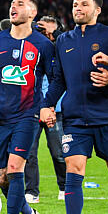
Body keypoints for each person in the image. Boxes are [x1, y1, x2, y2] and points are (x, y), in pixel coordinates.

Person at [41, 0, 108, 214]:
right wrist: (47, 105)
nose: (78, 8)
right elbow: (58, 79)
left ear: (97, 10)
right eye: (74, 5)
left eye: (84, 4)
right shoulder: (63, 41)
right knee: (73, 169)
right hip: (74, 117)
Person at [0, 0, 52, 214]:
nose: (13, 6)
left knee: (15, 169)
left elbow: (54, 79)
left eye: (20, 4)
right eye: (12, 3)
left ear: (32, 13)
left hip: (27, 115)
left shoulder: (43, 45)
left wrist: (47, 106)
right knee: (2, 178)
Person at [23, 15, 67, 201]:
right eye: (42, 31)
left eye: (49, 32)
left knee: (58, 152)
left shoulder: (63, 50)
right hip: (31, 108)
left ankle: (65, 188)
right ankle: (32, 192)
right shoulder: (30, 48)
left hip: (54, 109)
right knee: (28, 152)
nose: (46, 36)